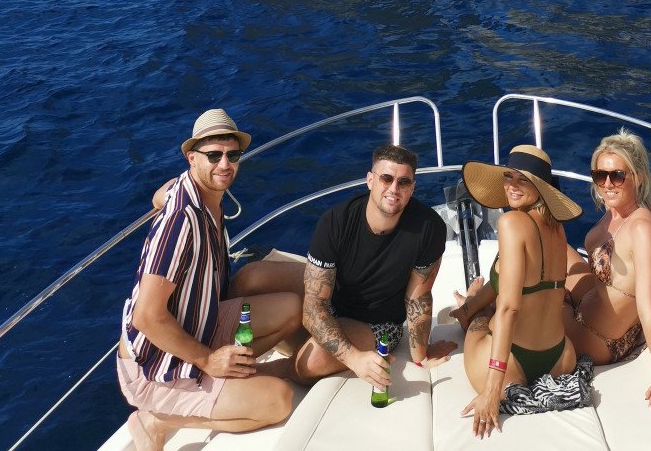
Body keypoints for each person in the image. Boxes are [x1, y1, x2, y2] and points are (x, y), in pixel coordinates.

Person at [118, 109, 303, 451]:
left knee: (291, 308)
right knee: (278, 401)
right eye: (214, 155)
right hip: (154, 363)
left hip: (199, 323)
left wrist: (167, 194)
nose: (225, 164)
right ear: (192, 157)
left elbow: (160, 195)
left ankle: (226, 374)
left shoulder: (200, 196)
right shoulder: (182, 223)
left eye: (232, 155)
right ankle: (156, 419)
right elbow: (146, 316)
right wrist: (206, 359)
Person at [295, 143, 456, 389]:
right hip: (337, 302)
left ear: (412, 187)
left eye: (403, 182)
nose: (394, 188)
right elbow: (314, 306)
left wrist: (421, 357)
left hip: (380, 325)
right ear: (370, 180)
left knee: (310, 363)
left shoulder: (429, 228)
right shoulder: (337, 221)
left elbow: (418, 298)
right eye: (386, 178)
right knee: (255, 278)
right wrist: (353, 358)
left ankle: (269, 373)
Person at [452, 145, 581, 438]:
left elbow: (510, 308)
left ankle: (468, 309)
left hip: (510, 363)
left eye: (523, 179)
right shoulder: (557, 229)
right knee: (492, 302)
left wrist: (492, 389)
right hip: (561, 358)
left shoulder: (511, 222)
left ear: (541, 187)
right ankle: (469, 305)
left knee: (478, 322)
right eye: (509, 177)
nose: (511, 185)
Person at [563, 129, 651, 412]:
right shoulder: (622, 213)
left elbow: (648, 307)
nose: (607, 184)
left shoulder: (641, 227)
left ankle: (472, 310)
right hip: (590, 305)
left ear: (638, 177)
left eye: (617, 176)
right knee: (551, 241)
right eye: (600, 175)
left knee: (518, 303)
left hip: (597, 340)